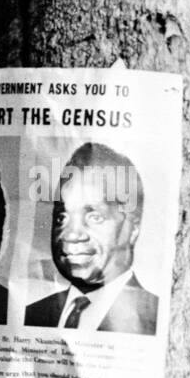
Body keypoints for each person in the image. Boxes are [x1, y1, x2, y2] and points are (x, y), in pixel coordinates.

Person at [24, 142, 158, 335]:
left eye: (95, 217)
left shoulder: (154, 320)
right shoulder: (33, 314)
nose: (71, 235)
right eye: (62, 218)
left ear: (133, 228)